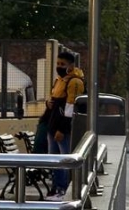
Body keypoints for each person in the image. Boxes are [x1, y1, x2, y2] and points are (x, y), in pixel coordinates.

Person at [45, 51, 85, 201]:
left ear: (71, 65)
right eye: (58, 64)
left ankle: (63, 188)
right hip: (53, 123)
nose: (59, 67)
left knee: (64, 159)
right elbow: (53, 98)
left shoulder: (75, 82)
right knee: (53, 160)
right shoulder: (60, 80)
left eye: (62, 64)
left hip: (63, 126)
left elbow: (70, 108)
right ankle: (56, 187)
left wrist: (62, 128)